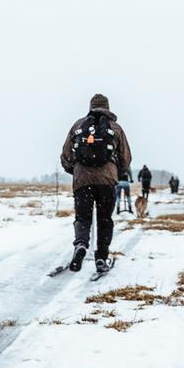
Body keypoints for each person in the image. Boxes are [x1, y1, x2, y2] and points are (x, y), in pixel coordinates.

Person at [60, 93, 132, 274]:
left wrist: (76, 171)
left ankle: (81, 244)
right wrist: (116, 172)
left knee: (83, 217)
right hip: (107, 182)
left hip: (82, 181)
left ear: (90, 107)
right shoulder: (115, 128)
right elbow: (126, 158)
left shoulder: (78, 126)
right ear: (108, 108)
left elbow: (66, 156)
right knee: (104, 219)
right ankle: (101, 258)